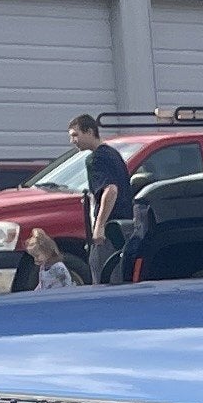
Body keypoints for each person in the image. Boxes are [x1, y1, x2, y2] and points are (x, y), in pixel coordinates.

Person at [66, 112, 132, 280]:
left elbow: (111, 190)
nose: (73, 141)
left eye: (75, 135)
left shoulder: (95, 159)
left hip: (109, 231)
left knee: (102, 274)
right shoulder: (113, 154)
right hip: (123, 227)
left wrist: (99, 226)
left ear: (89, 131)